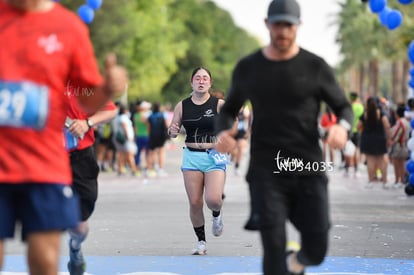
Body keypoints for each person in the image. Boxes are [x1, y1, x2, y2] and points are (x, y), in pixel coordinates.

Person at [214, 1, 353, 274]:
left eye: (288, 25)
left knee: (316, 248)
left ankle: (296, 263)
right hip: (267, 169)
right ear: (267, 24)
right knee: (274, 245)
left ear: (298, 26)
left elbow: (343, 107)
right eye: (278, 24)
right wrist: (223, 130)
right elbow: (228, 110)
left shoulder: (315, 67)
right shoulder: (249, 68)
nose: (283, 31)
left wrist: (343, 126)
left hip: (308, 167)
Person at [0, 1, 127, 274]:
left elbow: (88, 100)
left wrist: (106, 89)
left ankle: (74, 248)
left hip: (46, 163)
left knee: (45, 260)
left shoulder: (69, 27)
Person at [168, 67, 228, 255]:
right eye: (197, 78)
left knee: (214, 200)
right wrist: (172, 131)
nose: (201, 81)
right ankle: (201, 242)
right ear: (191, 82)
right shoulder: (182, 106)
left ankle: (216, 216)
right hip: (191, 156)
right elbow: (173, 130)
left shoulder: (218, 104)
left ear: (210, 83)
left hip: (214, 156)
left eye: (205, 78)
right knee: (195, 202)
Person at [65, 81, 118, 274]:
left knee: (80, 227)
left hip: (81, 157)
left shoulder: (85, 82)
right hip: (48, 156)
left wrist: (87, 123)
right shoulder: (37, 77)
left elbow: (110, 111)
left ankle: (75, 246)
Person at [357, 96, 391, 189]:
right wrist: (389, 138)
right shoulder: (381, 114)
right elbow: (387, 126)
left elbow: (358, 126)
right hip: (380, 139)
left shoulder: (365, 115)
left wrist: (363, 129)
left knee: (370, 161)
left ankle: (370, 181)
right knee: (382, 161)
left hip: (368, 139)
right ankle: (385, 181)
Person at [344, 92, 365, 178]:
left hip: (348, 131)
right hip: (357, 131)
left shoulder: (348, 107)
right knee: (356, 150)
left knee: (347, 150)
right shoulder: (360, 107)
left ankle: (347, 170)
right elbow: (363, 119)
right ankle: (356, 171)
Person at [147, 102, 169, 177]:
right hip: (161, 136)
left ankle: (149, 170)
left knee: (151, 153)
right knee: (161, 153)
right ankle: (160, 169)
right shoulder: (162, 115)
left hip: (152, 136)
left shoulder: (150, 116)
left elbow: (149, 128)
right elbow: (166, 125)